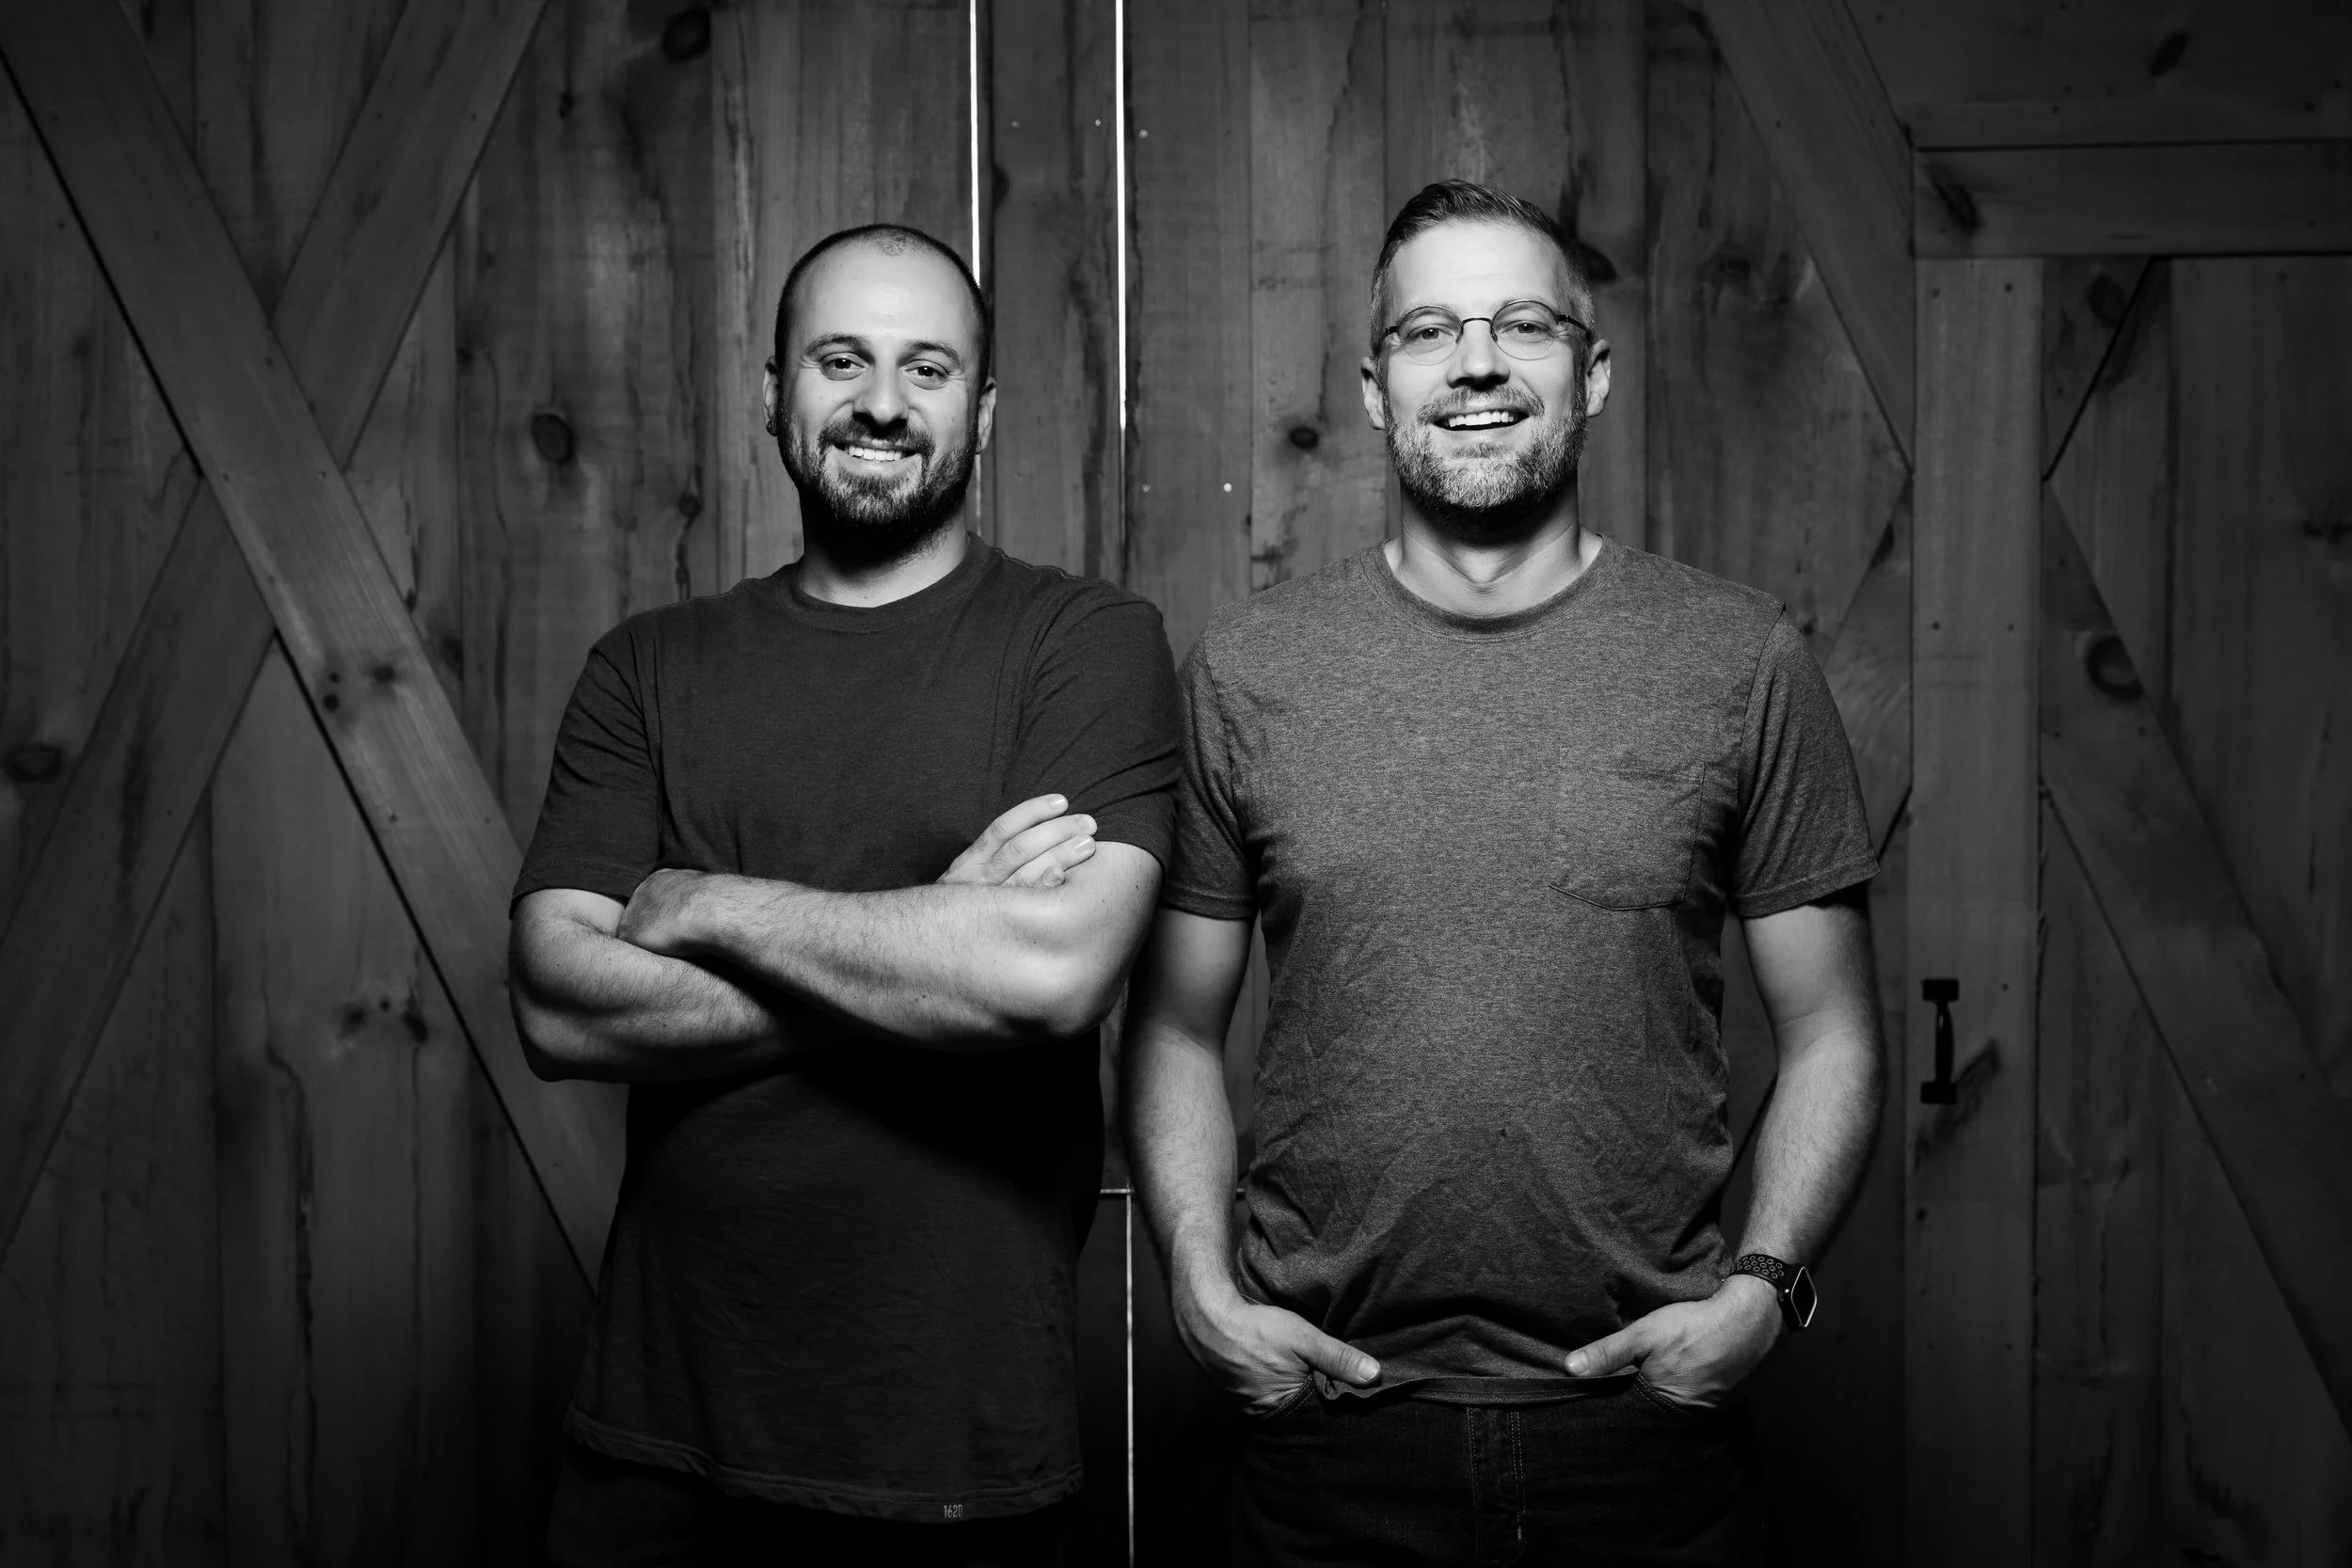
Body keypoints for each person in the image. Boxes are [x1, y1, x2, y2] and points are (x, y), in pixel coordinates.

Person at [1123, 180, 1884, 1565]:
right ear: (1374, 387)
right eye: (1429, 333)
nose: (1476, 362)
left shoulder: (1740, 659)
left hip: (1646, 1436)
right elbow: (1173, 1026)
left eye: (1523, 325)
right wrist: (1195, 1282)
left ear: (1592, 372)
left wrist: (1765, 1290)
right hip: (1327, 1431)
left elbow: (1833, 1026)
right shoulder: (1247, 675)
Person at [510, 222, 1179, 1565]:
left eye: (927, 367)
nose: (882, 401)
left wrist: (705, 900)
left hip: (956, 1445)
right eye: (841, 359)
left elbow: (1048, 974)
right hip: (659, 1441)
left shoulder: (1083, 644)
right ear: (775, 394)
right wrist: (934, 935)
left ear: (981, 412)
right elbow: (559, 1006)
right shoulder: (650, 665)